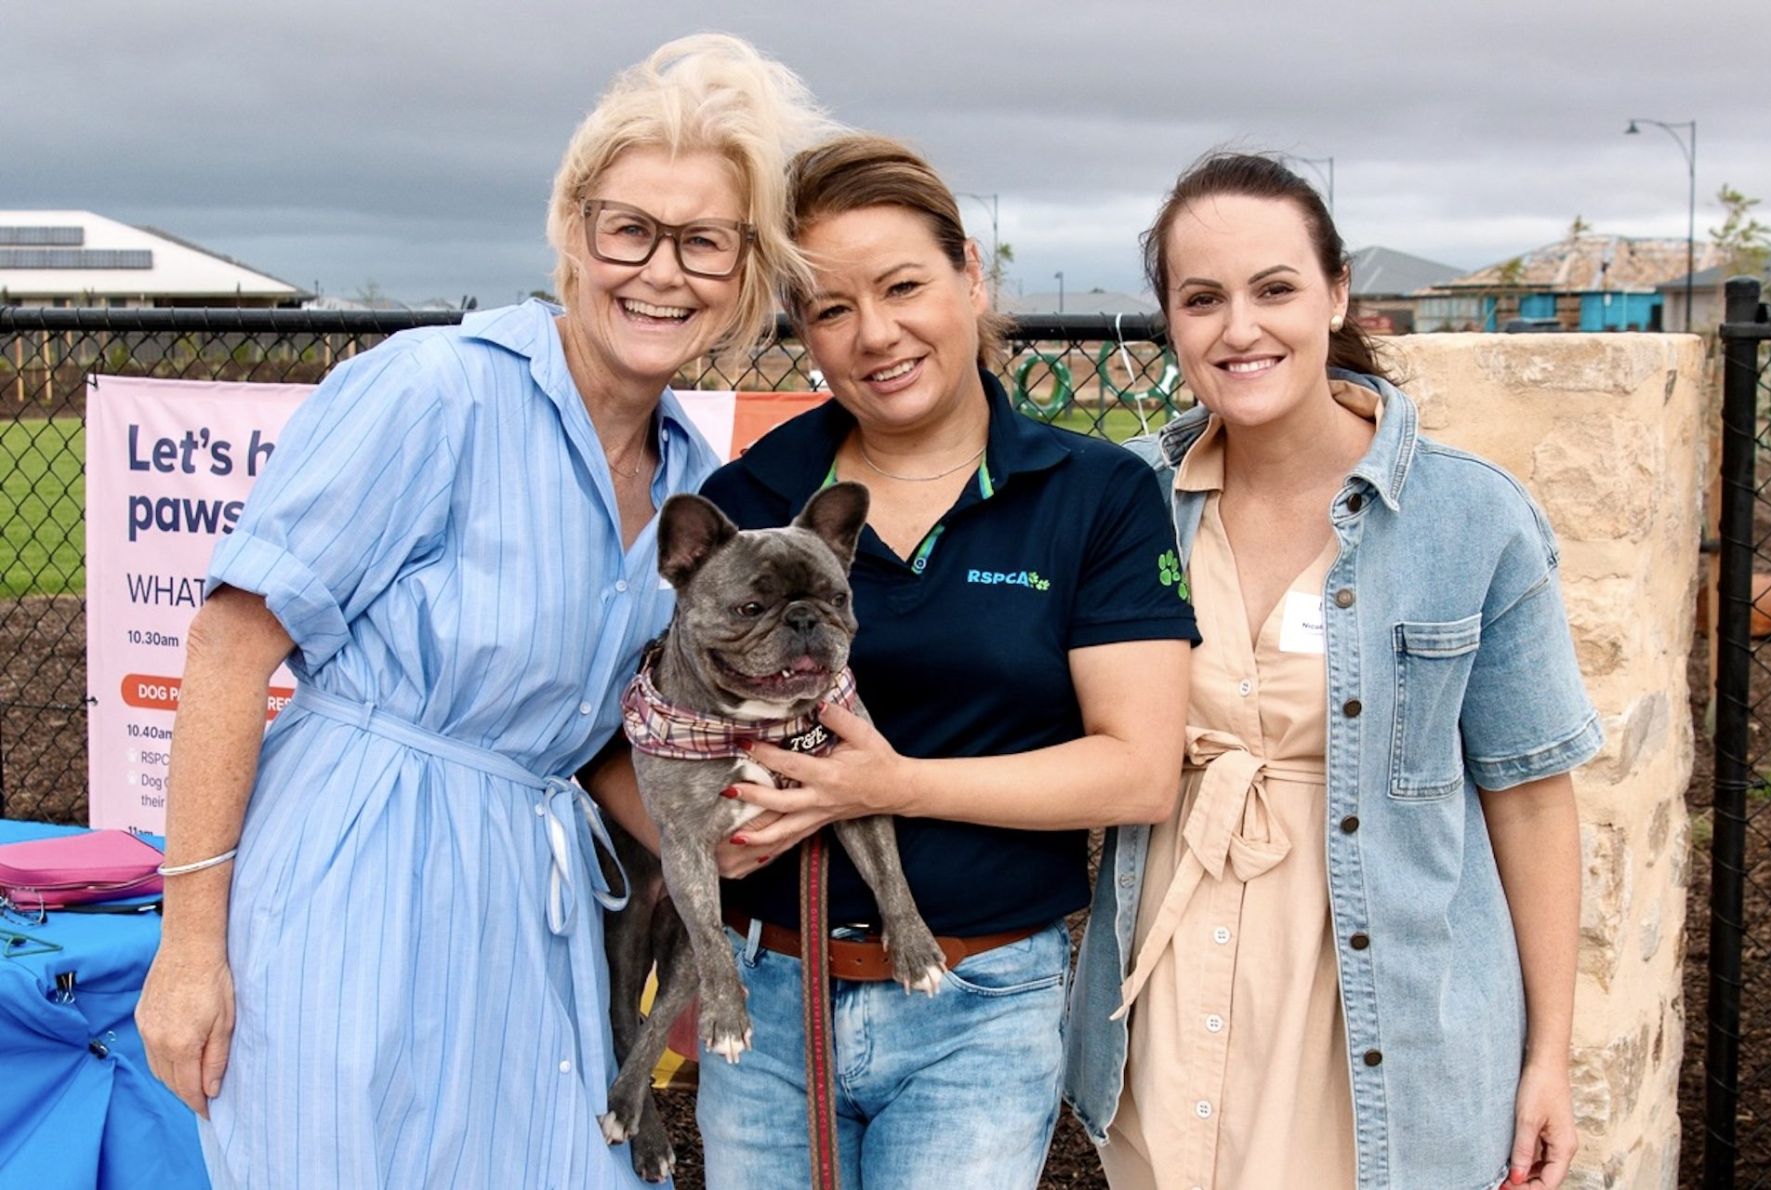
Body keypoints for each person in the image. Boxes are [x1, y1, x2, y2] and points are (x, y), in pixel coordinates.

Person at [133, 34, 827, 1188]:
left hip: (526, 905)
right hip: (355, 881)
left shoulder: (687, 479)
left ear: (743, 270)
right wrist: (189, 943)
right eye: (630, 229)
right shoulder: (435, 389)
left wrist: (718, 837)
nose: (661, 271)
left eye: (703, 240)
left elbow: (597, 729)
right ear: (573, 231)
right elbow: (229, 642)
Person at [1062, 152, 1602, 1190]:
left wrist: (1548, 1057)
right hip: (1174, 991)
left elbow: (1533, 800)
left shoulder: (1471, 519)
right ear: (1169, 319)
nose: (1240, 329)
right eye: (1202, 298)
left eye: (1275, 288)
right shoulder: (1125, 500)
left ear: (1337, 293)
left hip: (1384, 1017)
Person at [685, 134, 1198, 1188]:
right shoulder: (750, 495)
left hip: (982, 1001)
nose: (876, 334)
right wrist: (703, 832)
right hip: (768, 991)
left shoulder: (1092, 492)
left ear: (971, 272)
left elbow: (1138, 768)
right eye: (831, 309)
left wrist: (894, 784)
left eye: (904, 285)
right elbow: (655, 719)